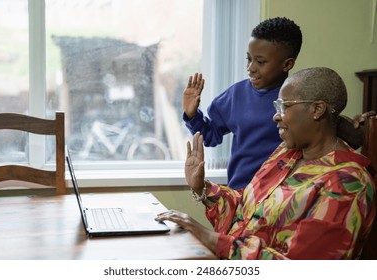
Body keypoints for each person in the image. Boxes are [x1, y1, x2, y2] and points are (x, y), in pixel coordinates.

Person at [158, 67, 376, 260]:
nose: (276, 116)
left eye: (284, 106)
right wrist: (202, 187)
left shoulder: (348, 182)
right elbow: (245, 210)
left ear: (317, 110)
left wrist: (208, 237)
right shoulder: (286, 153)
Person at [183, 17, 374, 190]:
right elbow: (210, 136)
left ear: (287, 64)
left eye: (260, 62)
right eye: (249, 59)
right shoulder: (235, 96)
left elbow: (337, 134)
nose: (251, 68)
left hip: (285, 196)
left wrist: (361, 127)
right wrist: (192, 115)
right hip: (241, 193)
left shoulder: (302, 99)